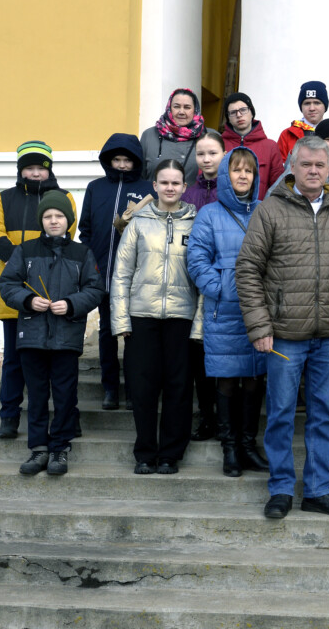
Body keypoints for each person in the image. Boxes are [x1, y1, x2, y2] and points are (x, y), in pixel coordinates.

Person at [235, 135, 329, 520]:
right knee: (280, 413)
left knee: (324, 414)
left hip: (328, 335)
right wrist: (259, 326)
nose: (313, 171)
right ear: (293, 167)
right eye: (306, 164)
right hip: (282, 336)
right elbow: (248, 270)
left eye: (319, 166)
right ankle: (279, 489)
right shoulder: (270, 210)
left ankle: (318, 489)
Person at [0, 191, 103, 476]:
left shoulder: (82, 253)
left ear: (68, 221)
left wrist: (70, 304)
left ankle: (60, 448)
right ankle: (38, 449)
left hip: (66, 338)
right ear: (41, 220)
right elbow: (7, 283)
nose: (53, 221)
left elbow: (95, 289)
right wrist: (28, 300)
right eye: (48, 216)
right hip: (32, 336)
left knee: (65, 394)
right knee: (37, 393)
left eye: (59, 216)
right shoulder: (25, 250)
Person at [111, 159, 200, 475]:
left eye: (176, 182)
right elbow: (121, 274)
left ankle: (170, 454)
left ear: (184, 187)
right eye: (164, 182)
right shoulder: (138, 222)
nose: (170, 188)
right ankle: (145, 452)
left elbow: (203, 275)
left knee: (178, 387)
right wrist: (121, 321)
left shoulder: (196, 221)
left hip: (181, 316)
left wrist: (199, 322)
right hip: (142, 315)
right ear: (155, 186)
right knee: (143, 386)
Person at [186, 148, 270, 477]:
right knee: (227, 380)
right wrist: (220, 288)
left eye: (249, 170)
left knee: (253, 378)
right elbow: (196, 259)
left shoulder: (266, 211)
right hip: (223, 312)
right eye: (237, 170)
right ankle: (230, 448)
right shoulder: (209, 214)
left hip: (258, 312)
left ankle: (249, 445)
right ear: (226, 174)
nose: (243, 175)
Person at [0, 141, 78, 440]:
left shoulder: (64, 198)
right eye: (30, 167)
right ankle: (9, 416)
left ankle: (67, 419)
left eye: (41, 168)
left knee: (58, 363)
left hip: (53, 294)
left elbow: (66, 235)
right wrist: (22, 263)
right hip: (16, 295)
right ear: (20, 170)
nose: (36, 173)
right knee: (14, 360)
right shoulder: (4, 199)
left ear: (49, 170)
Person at [78, 134, 153, 411]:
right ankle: (110, 388)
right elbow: (85, 230)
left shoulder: (148, 189)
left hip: (136, 278)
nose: (122, 165)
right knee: (107, 332)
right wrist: (90, 265)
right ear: (108, 160)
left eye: (127, 160)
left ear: (135, 162)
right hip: (101, 274)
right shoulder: (95, 188)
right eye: (117, 160)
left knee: (134, 336)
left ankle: (134, 389)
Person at [181, 131, 227, 443]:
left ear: (224, 154)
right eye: (201, 154)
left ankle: (227, 422)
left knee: (224, 357)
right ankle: (206, 417)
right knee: (197, 358)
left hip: (227, 284)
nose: (207, 159)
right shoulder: (188, 195)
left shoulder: (234, 191)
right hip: (194, 284)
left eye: (212, 153)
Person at [140, 88, 217, 184]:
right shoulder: (149, 135)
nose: (181, 112)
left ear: (195, 110)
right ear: (169, 108)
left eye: (187, 107)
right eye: (176, 106)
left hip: (198, 198)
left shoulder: (210, 136)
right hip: (156, 198)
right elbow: (140, 176)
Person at [220, 91, 285, 198]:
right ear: (228, 118)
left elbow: (278, 187)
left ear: (252, 112)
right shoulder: (219, 145)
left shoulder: (270, 146)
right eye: (233, 112)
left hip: (260, 211)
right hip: (224, 210)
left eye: (243, 110)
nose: (239, 115)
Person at [276, 80, 329, 162]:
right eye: (307, 103)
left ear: (325, 106)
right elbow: (280, 169)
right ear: (301, 107)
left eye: (317, 103)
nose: (312, 108)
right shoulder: (287, 135)